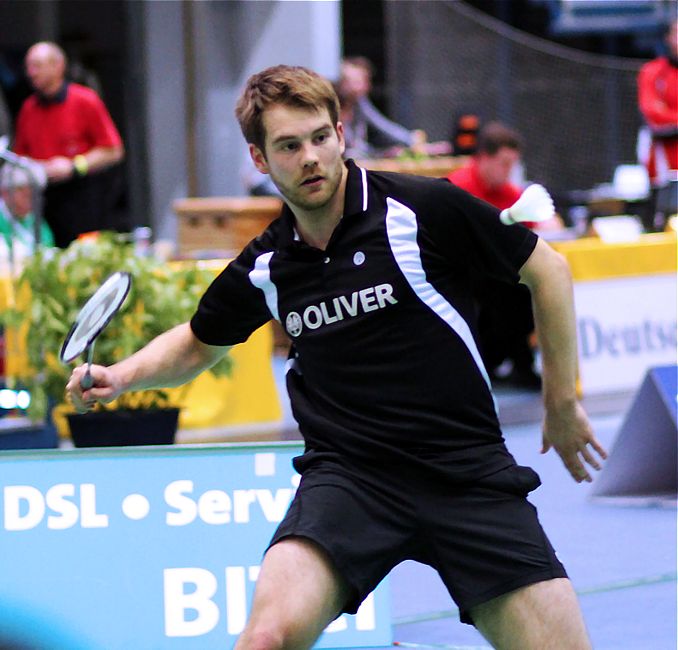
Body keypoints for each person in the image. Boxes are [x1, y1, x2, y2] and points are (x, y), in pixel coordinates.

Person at [67, 65, 606, 650]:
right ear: (259, 159)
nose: (311, 158)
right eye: (289, 146)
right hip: (350, 481)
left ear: (342, 134)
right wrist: (120, 376)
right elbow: (200, 340)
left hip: (464, 471)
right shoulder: (269, 264)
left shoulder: (420, 209)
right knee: (265, 639)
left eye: (321, 137)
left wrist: (561, 401)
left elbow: (547, 269)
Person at [448, 122, 560, 388]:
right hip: (458, 269)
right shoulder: (457, 187)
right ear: (484, 158)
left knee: (524, 288)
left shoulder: (508, 193)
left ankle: (500, 359)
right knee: (512, 293)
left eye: (513, 165)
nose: (509, 172)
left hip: (490, 274)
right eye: (505, 164)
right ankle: (516, 363)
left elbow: (539, 225)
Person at [12, 42, 125, 248]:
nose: (30, 73)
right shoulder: (29, 108)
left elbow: (113, 151)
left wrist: (73, 166)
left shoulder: (85, 100)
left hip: (83, 195)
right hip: (44, 197)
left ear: (58, 66)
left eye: (37, 66)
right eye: (28, 67)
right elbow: (20, 156)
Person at [337, 56, 429, 159]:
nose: (366, 87)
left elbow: (381, 124)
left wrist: (409, 139)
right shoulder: (332, 104)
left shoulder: (359, 102)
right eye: (357, 82)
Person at [637, 19, 678, 229]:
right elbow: (653, 114)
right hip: (663, 166)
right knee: (664, 222)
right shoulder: (652, 72)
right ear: (668, 38)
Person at [0, 165, 54, 255]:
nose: (31, 202)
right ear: (5, 193)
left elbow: (48, 249)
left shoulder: (36, 221)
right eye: (25, 196)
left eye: (34, 196)